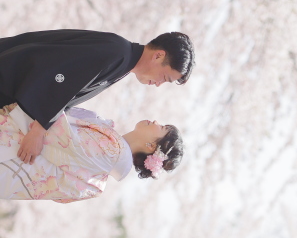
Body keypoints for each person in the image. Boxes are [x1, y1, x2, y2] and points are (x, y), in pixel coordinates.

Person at [0, 30, 194, 164]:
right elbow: (61, 74)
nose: (158, 84)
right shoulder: (117, 51)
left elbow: (68, 90)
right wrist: (39, 130)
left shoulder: (123, 59)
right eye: (165, 77)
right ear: (158, 56)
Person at [0, 103, 183, 203]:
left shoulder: (113, 150)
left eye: (163, 128)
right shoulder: (96, 187)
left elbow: (57, 133)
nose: (157, 121)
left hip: (11, 145)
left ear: (152, 146)